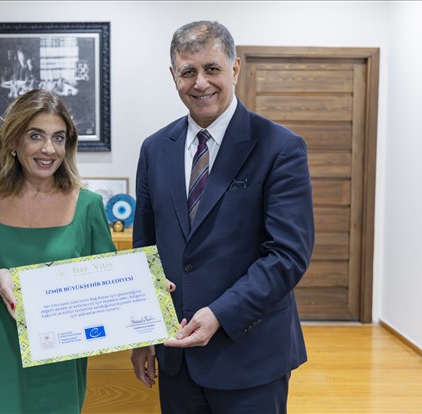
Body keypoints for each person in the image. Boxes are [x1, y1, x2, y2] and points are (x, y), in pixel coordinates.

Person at [130, 21, 315, 413]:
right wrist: (143, 333)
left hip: (250, 355)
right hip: (176, 356)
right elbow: (145, 251)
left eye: (211, 68)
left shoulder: (279, 147)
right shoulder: (154, 149)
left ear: (235, 68)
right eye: (188, 72)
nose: (200, 83)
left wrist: (220, 314)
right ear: (173, 75)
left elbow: (287, 255)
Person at [0, 89, 116, 413]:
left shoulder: (89, 206)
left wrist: (146, 291)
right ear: (13, 141)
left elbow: (107, 288)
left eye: (58, 138)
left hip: (59, 368)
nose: (48, 149)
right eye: (35, 135)